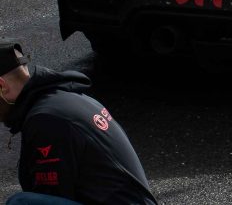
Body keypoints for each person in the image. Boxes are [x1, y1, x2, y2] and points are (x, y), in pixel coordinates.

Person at [1, 40, 156, 205]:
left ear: (2, 86)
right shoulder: (61, 100)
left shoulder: (46, 120)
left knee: (23, 202)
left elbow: (50, 194)